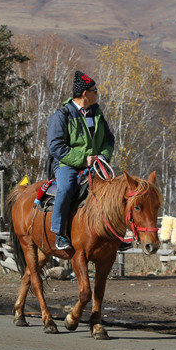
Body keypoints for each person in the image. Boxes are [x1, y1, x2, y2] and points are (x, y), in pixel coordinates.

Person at [46, 70, 115, 251]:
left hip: (96, 164)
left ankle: (116, 236)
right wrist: (83, 160)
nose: (97, 93)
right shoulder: (61, 116)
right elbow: (55, 146)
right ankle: (59, 233)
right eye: (95, 90)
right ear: (85, 93)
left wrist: (103, 156)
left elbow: (109, 140)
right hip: (66, 164)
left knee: (114, 190)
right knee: (66, 188)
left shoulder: (97, 113)